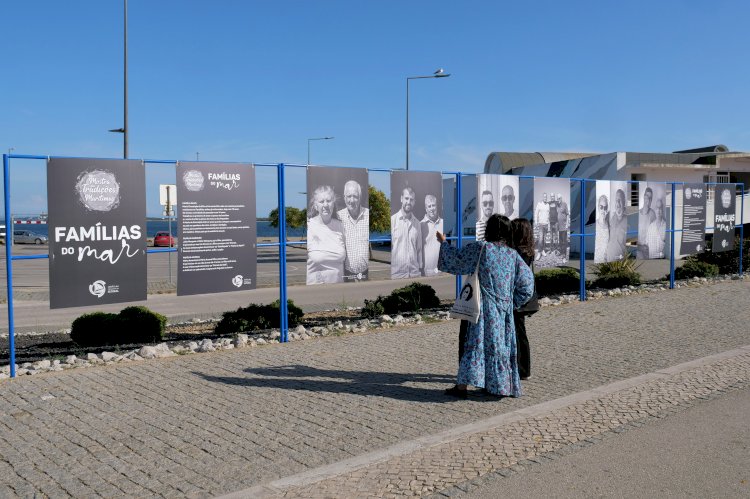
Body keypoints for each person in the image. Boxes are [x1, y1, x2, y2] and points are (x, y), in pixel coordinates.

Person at [437, 214, 534, 399]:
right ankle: (499, 386)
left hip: (482, 309)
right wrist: (512, 303)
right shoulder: (512, 255)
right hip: (503, 312)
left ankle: (462, 387)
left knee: (475, 344)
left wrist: (444, 243)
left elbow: (457, 260)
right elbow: (527, 284)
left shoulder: (482, 248)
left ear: (488, 230)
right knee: (499, 347)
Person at [510, 218, 536, 380]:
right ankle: (524, 369)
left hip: (516, 297)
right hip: (523, 297)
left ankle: (521, 369)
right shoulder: (528, 251)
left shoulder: (517, 253)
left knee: (518, 333)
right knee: (521, 332)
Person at [307, 185, 346, 284]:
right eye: (321, 202)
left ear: (333, 203)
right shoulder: (310, 226)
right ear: (316, 206)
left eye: (328, 201)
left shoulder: (341, 226)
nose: (325, 205)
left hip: (339, 288)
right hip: (314, 289)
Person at [337, 180, 369, 282]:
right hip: (347, 274)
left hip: (367, 273)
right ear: (344, 197)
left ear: (360, 197)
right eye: (349, 196)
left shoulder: (368, 215)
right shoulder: (338, 217)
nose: (352, 200)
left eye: (355, 196)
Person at [391, 186, 423, 278]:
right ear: (401, 199)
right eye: (406, 198)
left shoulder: (417, 223)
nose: (408, 202)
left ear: (414, 202)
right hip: (396, 275)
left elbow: (419, 249)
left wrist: (420, 268)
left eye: (411, 199)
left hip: (414, 274)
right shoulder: (392, 220)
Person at [420, 194, 443, 276]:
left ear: (437, 206)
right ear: (426, 209)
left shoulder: (443, 223)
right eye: (429, 206)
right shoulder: (421, 225)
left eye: (433, 205)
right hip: (427, 270)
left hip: (441, 269)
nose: (432, 208)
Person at [606, 188, 628, 261]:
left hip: (621, 260)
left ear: (624, 202)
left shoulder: (628, 219)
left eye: (620, 200)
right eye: (616, 200)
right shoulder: (611, 219)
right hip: (609, 259)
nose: (618, 203)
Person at [638, 186, 655, 258]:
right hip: (638, 251)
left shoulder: (652, 214)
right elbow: (631, 237)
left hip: (649, 251)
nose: (648, 199)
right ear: (644, 197)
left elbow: (655, 233)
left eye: (650, 198)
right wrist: (640, 247)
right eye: (647, 196)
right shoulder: (637, 214)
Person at [594, 194, 610, 263]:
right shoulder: (595, 225)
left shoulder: (609, 225)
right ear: (598, 207)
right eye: (601, 207)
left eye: (605, 207)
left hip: (607, 261)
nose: (603, 210)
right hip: (597, 261)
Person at [534, 193, 550, 259]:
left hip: (546, 224)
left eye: (546, 197)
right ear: (542, 197)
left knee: (544, 239)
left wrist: (548, 225)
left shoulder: (548, 205)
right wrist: (536, 222)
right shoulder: (539, 204)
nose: (545, 198)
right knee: (540, 239)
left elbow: (549, 215)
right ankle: (539, 253)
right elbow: (536, 213)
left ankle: (543, 250)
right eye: (544, 197)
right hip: (540, 224)